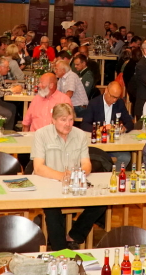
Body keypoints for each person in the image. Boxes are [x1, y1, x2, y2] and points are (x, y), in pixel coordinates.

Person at [31, 103, 106, 250]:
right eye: (63, 120)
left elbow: (86, 164)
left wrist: (79, 175)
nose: (68, 124)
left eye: (71, 119)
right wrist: (63, 177)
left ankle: (74, 236)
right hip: (49, 184)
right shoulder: (41, 134)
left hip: (73, 185)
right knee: (52, 210)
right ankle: (60, 251)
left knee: (101, 200)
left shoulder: (80, 135)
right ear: (53, 120)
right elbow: (38, 168)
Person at [80, 81, 133, 167]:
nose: (114, 100)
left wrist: (123, 129)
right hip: (98, 143)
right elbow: (84, 125)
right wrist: (100, 129)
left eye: (117, 97)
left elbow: (129, 123)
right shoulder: (94, 103)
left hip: (114, 143)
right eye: (113, 97)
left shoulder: (119, 103)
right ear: (106, 91)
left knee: (125, 157)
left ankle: (114, 174)